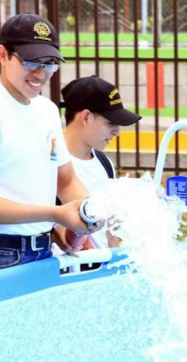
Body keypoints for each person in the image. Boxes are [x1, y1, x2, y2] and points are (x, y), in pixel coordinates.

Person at [0, 13, 99, 278]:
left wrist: (88, 213)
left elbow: (65, 181)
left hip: (43, 252)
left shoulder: (47, 110)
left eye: (50, 63)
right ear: (3, 55)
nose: (41, 73)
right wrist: (56, 214)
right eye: (31, 61)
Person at [55, 75, 142, 249]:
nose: (117, 132)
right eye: (111, 123)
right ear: (86, 117)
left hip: (100, 269)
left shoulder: (104, 163)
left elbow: (110, 230)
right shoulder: (51, 161)